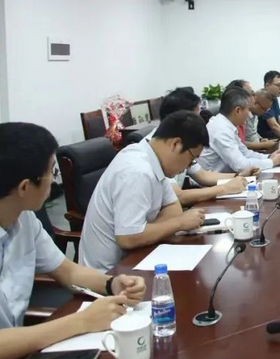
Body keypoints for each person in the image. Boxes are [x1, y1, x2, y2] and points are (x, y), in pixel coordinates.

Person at [0, 123, 146, 358]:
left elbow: (67, 271)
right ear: (25, 187)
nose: (53, 181)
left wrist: (112, 284)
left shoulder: (24, 219)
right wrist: (82, 321)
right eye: (51, 172)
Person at [80, 112, 209, 272]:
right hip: (108, 274)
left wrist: (148, 232)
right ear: (176, 144)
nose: (187, 167)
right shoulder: (137, 171)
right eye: (191, 159)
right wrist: (179, 223)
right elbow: (128, 238)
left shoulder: (154, 160)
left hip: (136, 258)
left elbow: (173, 207)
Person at [148, 88, 253, 207]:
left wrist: (239, 177)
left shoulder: (182, 141)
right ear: (179, 118)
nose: (200, 123)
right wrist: (224, 189)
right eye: (196, 117)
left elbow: (203, 175)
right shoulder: (159, 148)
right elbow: (177, 196)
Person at [199, 86, 280, 174]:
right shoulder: (221, 129)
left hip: (227, 176)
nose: (249, 114)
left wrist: (269, 157)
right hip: (214, 180)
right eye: (248, 109)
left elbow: (245, 153)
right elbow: (240, 166)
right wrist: (272, 162)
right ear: (238, 111)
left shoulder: (227, 125)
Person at [258, 71, 280, 139]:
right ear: (267, 85)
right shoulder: (262, 99)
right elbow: (274, 126)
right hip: (265, 139)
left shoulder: (274, 98)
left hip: (274, 136)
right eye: (278, 85)